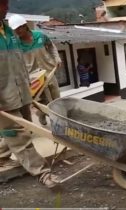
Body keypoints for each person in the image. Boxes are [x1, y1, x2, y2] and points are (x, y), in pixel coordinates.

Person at [0, 0, 59, 188]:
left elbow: (17, 64)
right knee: (18, 135)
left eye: (6, 3)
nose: (6, 8)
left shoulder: (9, 32)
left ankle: (1, 157)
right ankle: (42, 173)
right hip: (4, 98)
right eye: (2, 4)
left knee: (23, 130)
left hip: (22, 93)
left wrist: (29, 88)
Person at [8, 14, 62, 126]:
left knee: (57, 97)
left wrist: (57, 58)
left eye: (19, 28)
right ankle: (49, 119)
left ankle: (48, 117)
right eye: (15, 29)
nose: (17, 31)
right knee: (45, 100)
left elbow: (51, 47)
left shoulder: (40, 36)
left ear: (24, 25)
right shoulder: (16, 44)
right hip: (34, 77)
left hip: (49, 72)